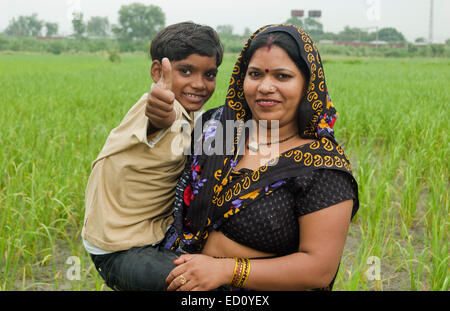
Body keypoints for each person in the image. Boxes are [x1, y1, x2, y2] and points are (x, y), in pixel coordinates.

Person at [163, 23, 360, 291]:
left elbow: (319, 268)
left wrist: (226, 270)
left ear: (307, 84)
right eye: (255, 74)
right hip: (180, 276)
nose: (266, 87)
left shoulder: (323, 168)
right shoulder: (218, 126)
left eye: (282, 76)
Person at [81, 22, 224, 291]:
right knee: (203, 289)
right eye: (186, 71)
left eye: (209, 74)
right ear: (158, 72)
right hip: (120, 249)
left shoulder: (194, 118)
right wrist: (161, 111)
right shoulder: (157, 109)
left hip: (155, 233)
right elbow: (158, 119)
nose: (199, 84)